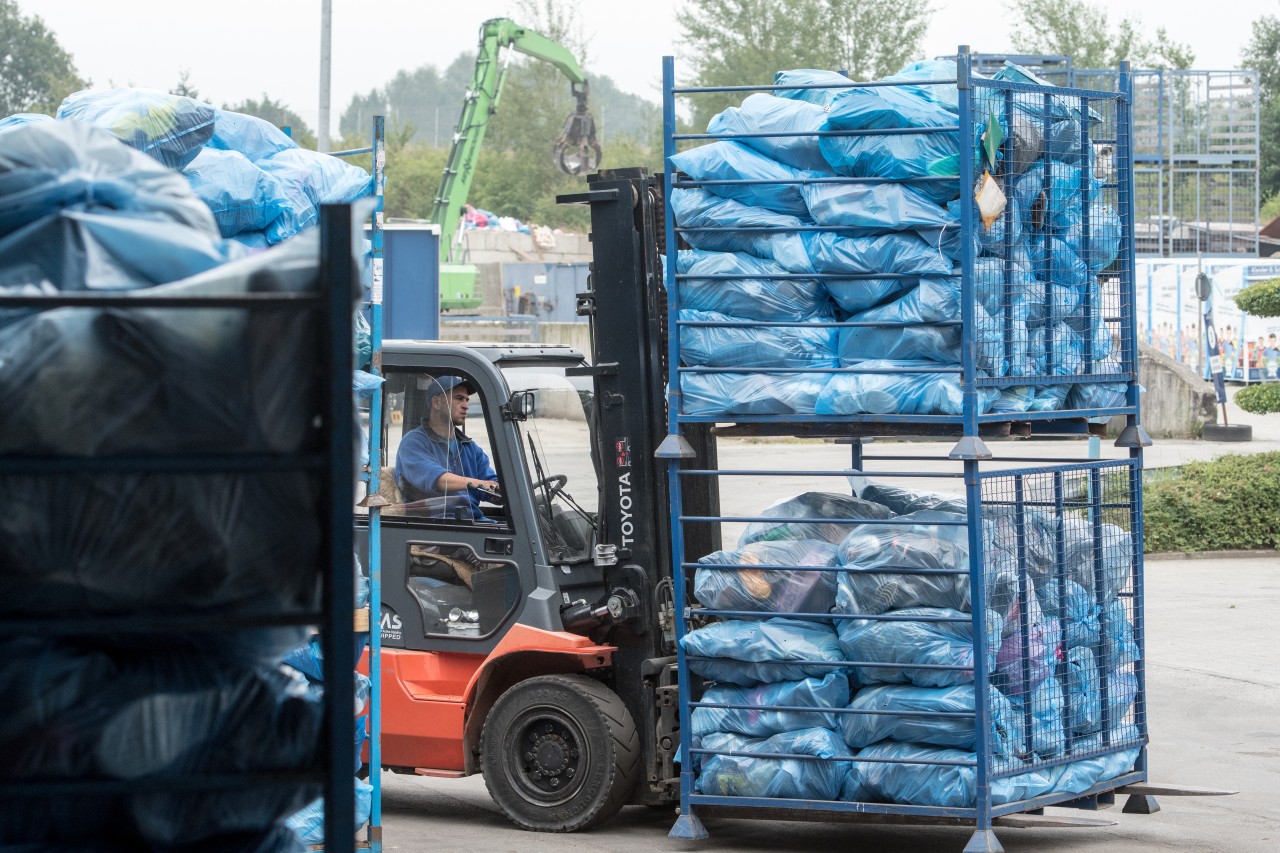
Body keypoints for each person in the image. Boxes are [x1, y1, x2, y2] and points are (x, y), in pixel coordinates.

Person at [395, 376, 501, 521]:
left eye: (466, 400)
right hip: (437, 528)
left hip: (472, 523)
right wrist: (481, 484)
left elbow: (492, 485)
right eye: (459, 398)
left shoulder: (469, 447)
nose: (466, 405)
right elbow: (439, 479)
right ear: (437, 402)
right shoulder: (413, 443)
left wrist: (505, 493)